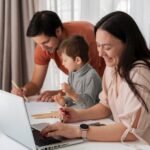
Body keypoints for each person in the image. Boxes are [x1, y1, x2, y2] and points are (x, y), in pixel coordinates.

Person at [41, 11, 150, 144]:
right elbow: (105, 106)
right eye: (98, 45)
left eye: (107, 47)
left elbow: (131, 131)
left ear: (127, 43)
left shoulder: (139, 74)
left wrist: (77, 131)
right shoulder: (112, 67)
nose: (100, 53)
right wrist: (78, 115)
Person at [11, 10, 105, 101]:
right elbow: (35, 84)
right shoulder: (43, 47)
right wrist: (25, 90)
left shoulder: (86, 37)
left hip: (104, 84)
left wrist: (60, 93)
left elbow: (90, 85)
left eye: (45, 42)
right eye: (38, 44)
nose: (42, 48)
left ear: (58, 31)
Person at [52, 35, 101, 108]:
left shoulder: (91, 76)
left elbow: (89, 105)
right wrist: (65, 101)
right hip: (80, 113)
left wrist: (71, 93)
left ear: (77, 60)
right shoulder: (72, 74)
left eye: (65, 60)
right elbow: (74, 100)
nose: (63, 63)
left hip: (94, 116)